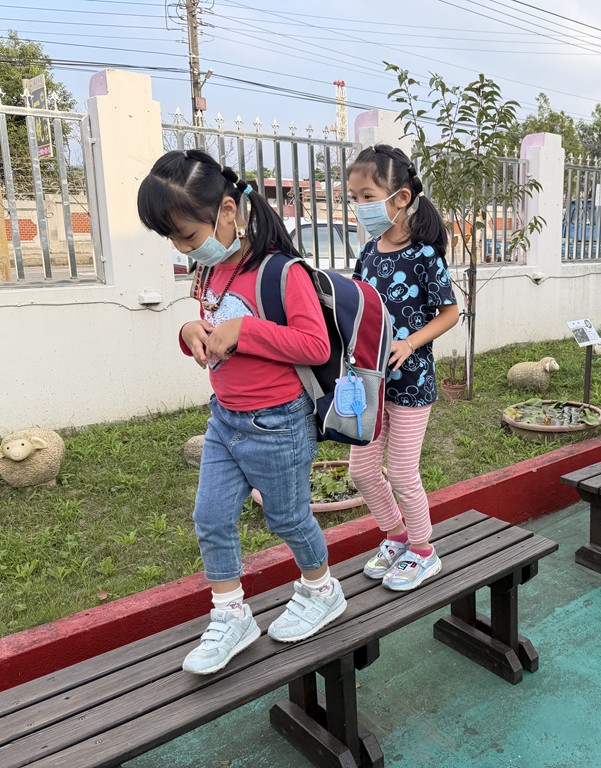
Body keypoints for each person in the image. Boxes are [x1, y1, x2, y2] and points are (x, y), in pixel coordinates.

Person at [137, 150, 346, 675]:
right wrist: (190, 332)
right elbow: (212, 325)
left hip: (278, 423)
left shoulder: (281, 271)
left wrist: (246, 331)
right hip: (225, 418)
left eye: (187, 236)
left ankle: (322, 590)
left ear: (227, 211)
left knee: (288, 517)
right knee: (210, 518)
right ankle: (231, 613)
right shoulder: (210, 271)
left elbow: (315, 345)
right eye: (173, 239)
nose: (183, 248)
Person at [345, 145, 460, 591]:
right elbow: (358, 308)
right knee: (361, 470)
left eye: (368, 196)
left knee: (402, 472)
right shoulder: (368, 253)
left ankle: (424, 550)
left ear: (402, 197)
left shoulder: (425, 255)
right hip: (369, 382)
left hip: (411, 384)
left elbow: (449, 314)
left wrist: (410, 343)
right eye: (354, 198)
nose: (360, 207)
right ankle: (396, 536)